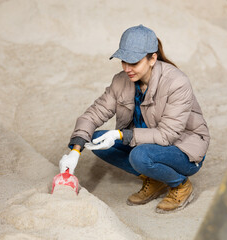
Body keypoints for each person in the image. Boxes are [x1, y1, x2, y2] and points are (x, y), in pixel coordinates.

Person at [59, 24, 210, 213]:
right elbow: (95, 113)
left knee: (140, 156)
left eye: (134, 62)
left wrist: (121, 135)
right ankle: (155, 179)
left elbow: (168, 135)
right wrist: (76, 150)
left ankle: (180, 185)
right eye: (124, 61)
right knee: (95, 139)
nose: (127, 68)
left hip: (183, 149)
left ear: (152, 58)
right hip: (145, 142)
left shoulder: (177, 82)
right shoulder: (121, 81)